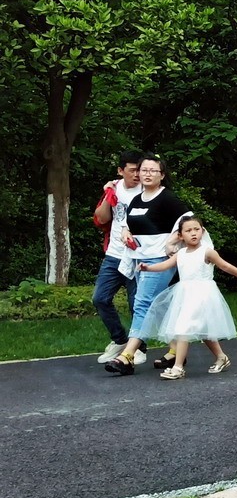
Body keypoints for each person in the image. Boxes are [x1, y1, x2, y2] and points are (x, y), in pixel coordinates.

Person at [104, 154, 192, 376]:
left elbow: (191, 222)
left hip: (160, 260)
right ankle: (174, 350)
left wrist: (173, 239)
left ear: (162, 175)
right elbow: (126, 222)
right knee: (157, 305)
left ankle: (127, 356)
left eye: (153, 170)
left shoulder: (167, 199)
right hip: (139, 260)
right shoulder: (136, 199)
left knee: (142, 304)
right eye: (144, 170)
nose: (147, 174)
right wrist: (125, 232)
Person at [137, 216, 237, 380]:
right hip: (185, 295)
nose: (193, 233)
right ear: (180, 236)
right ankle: (221, 357)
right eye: (188, 230)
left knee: (183, 328)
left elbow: (225, 265)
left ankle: (178, 367)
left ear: (202, 231)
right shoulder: (181, 254)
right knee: (202, 330)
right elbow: (165, 265)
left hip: (203, 294)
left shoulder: (207, 252)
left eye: (197, 229)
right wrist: (148, 267)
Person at [92, 151, 145, 364]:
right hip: (114, 254)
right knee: (100, 298)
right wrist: (108, 195)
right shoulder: (115, 188)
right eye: (132, 170)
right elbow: (102, 218)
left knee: (136, 303)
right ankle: (120, 340)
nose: (137, 174)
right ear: (120, 171)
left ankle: (139, 348)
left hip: (137, 254)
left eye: (139, 170)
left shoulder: (147, 191)